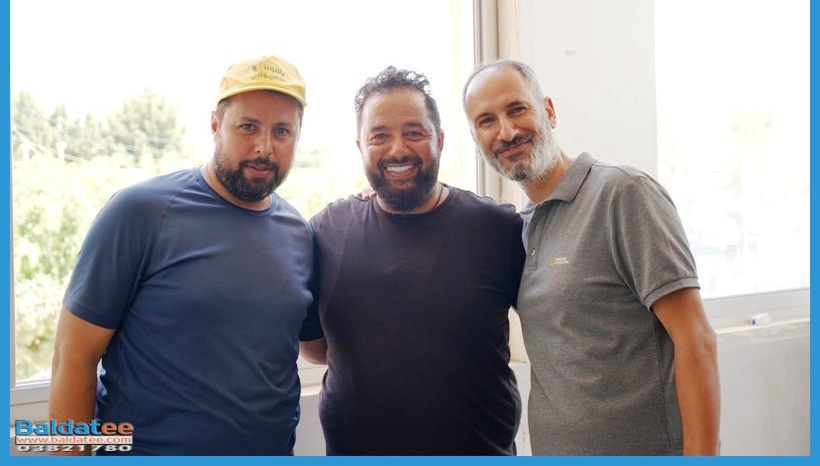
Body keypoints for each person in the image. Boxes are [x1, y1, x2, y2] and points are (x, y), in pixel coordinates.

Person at [49, 54, 321, 455]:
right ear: (215, 125)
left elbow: (318, 347)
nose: (264, 147)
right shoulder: (140, 212)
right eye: (248, 126)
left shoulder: (299, 233)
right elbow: (73, 356)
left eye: (282, 131)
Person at [462, 59, 720, 456]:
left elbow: (695, 338)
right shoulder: (519, 230)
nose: (507, 132)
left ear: (548, 111)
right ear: (477, 139)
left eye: (517, 109)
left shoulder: (623, 193)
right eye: (487, 121)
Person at [299, 66, 525, 455]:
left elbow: (551, 330)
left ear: (440, 140)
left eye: (414, 133)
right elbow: (316, 348)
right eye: (379, 136)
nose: (397, 150)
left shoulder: (498, 229)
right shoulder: (326, 231)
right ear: (361, 146)